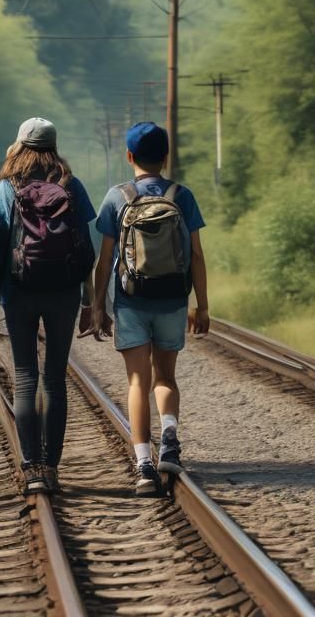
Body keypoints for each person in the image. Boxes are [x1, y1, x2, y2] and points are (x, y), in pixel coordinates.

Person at [90, 122, 210, 496]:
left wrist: (98, 306)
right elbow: (196, 256)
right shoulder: (181, 196)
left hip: (131, 300)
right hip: (173, 299)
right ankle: (170, 438)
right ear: (166, 157)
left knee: (137, 382)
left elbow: (105, 257)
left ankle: (144, 463)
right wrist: (201, 306)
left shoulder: (116, 197)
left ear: (129, 156)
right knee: (166, 378)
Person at [0, 117, 96, 495]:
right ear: (54, 146)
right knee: (55, 378)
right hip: (64, 291)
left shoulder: (6, 188)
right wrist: (89, 300)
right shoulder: (72, 185)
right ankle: (52, 466)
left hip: (18, 289)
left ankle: (31, 467)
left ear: (18, 146)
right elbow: (86, 247)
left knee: (24, 376)